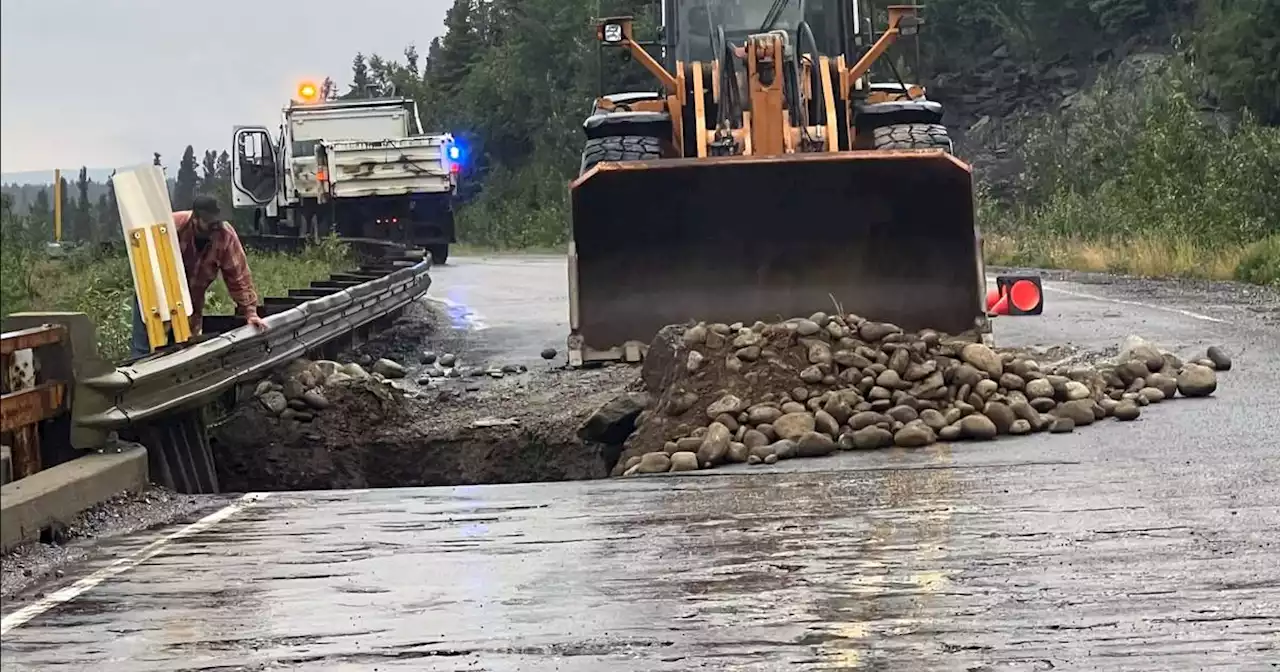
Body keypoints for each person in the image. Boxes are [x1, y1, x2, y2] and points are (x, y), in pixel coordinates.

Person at [129, 195, 268, 358]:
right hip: (155, 294)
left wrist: (250, 312)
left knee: (182, 348)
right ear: (195, 218)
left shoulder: (225, 235)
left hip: (191, 298)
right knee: (146, 349)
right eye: (210, 222)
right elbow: (143, 256)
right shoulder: (171, 227)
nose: (215, 226)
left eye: (218, 221)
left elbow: (238, 276)